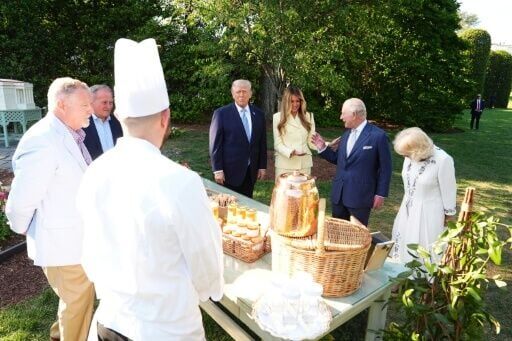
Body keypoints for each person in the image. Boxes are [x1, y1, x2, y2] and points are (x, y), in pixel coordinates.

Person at [78, 38, 224, 340]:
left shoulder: (94, 172)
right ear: (166, 117)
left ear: (119, 117)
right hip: (167, 329)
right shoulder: (180, 182)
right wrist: (206, 291)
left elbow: (88, 254)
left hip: (110, 322)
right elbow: (205, 262)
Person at [6, 77, 95, 341]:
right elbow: (21, 200)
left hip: (73, 239)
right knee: (78, 301)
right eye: (84, 104)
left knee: (77, 298)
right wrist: (24, 228)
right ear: (61, 104)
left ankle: (59, 335)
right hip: (62, 242)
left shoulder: (67, 133)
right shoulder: (43, 140)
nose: (90, 109)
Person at [311, 98, 392, 226]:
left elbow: (385, 168)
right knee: (336, 234)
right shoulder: (346, 135)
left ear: (354, 115)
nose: (341, 117)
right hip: (339, 196)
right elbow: (339, 159)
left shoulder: (378, 136)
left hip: (360, 197)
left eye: (343, 113)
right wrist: (322, 147)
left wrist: (380, 194)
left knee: (357, 237)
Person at [391, 127, 456, 263]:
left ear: (417, 149)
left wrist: (449, 215)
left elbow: (449, 189)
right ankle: (404, 269)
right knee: (405, 237)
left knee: (423, 243)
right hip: (407, 207)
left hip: (429, 211)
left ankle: (426, 276)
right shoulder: (409, 155)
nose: (405, 157)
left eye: (406, 154)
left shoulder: (443, 160)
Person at [209, 79, 267, 198]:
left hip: (250, 171)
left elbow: (262, 142)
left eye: (245, 91)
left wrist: (262, 166)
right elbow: (215, 144)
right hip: (228, 172)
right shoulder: (221, 114)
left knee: (247, 204)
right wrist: (217, 169)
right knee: (228, 206)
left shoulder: (259, 114)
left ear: (250, 93)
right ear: (232, 93)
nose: (241, 94)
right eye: (238, 91)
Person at [273, 86, 316, 180]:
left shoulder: (308, 116)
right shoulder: (277, 117)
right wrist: (292, 152)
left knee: (303, 194)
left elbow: (312, 142)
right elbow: (277, 144)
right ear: (286, 102)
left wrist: (327, 145)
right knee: (284, 194)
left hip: (304, 165)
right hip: (284, 165)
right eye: (291, 101)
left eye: (298, 101)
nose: (295, 104)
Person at [83, 84, 123, 160]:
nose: (108, 107)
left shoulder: (119, 122)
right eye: (104, 102)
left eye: (110, 103)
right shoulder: (82, 124)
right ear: (91, 102)